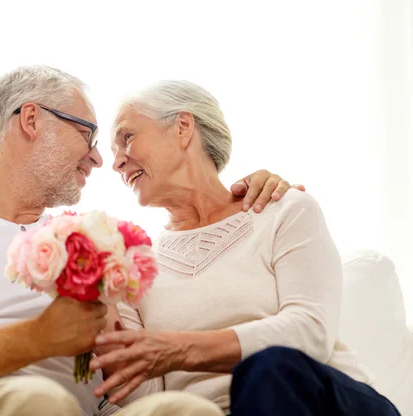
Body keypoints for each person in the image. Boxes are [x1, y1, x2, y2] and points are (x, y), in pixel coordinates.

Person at [0, 66, 296, 416]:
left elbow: (125, 377)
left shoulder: (90, 244)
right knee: (36, 401)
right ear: (32, 119)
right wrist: (39, 338)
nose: (99, 158)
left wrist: (258, 195)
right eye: (87, 134)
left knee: (183, 411)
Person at [90, 80, 401, 415]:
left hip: (325, 402)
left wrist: (179, 349)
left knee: (268, 368)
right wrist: (100, 292)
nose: (117, 163)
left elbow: (311, 331)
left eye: (127, 138)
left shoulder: (283, 210)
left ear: (182, 128)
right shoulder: (134, 264)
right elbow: (143, 400)